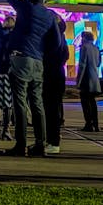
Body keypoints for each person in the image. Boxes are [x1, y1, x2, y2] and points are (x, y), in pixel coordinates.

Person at [0, 0, 60, 157]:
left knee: (19, 103)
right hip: (37, 62)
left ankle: (21, 145)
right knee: (37, 104)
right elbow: (56, 42)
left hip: (21, 59)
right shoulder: (50, 15)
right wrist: (41, 52)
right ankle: (40, 144)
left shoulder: (27, 9)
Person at [43, 14, 69, 154]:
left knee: (50, 108)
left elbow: (49, 54)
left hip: (51, 74)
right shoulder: (61, 36)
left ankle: (53, 141)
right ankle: (53, 138)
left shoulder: (52, 36)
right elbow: (65, 56)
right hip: (58, 74)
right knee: (54, 107)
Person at [76, 31, 101, 132]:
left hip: (86, 78)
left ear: (84, 38)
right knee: (92, 101)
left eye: (82, 38)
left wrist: (78, 80)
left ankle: (88, 124)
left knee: (85, 102)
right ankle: (96, 124)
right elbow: (98, 63)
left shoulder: (84, 47)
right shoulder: (96, 48)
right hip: (95, 78)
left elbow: (82, 65)